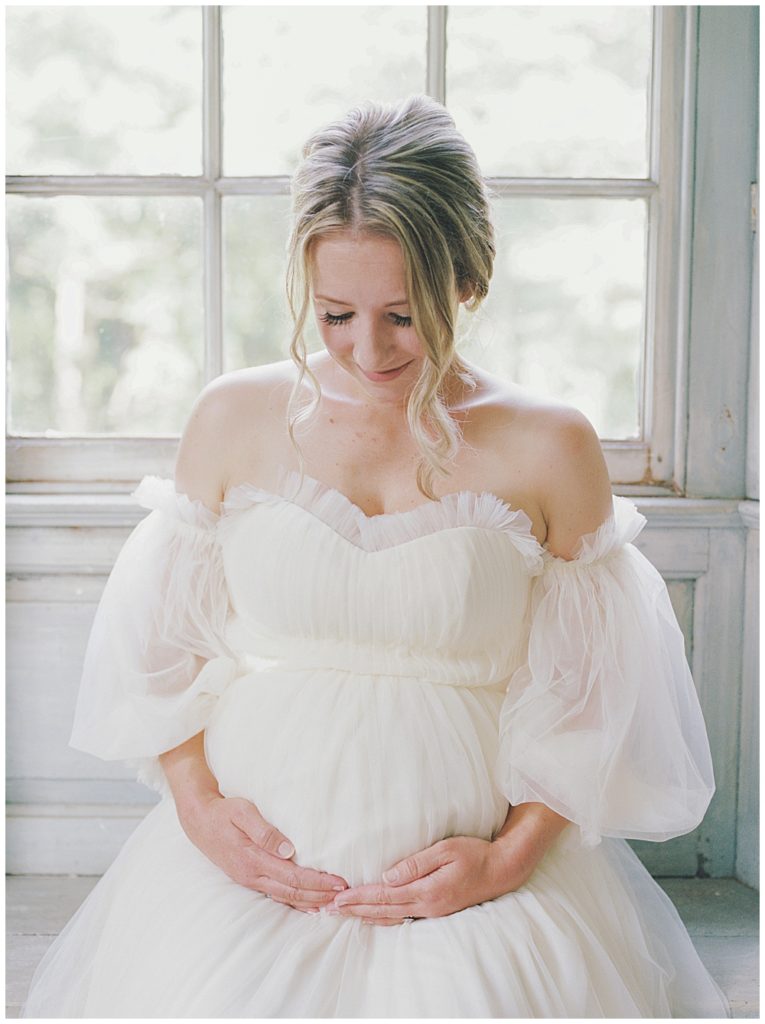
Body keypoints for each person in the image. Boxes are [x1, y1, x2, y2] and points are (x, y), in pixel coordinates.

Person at [22, 94, 730, 1018]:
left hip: (474, 861)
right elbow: (160, 650)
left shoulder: (548, 444)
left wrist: (505, 860)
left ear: (467, 278)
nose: (367, 349)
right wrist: (198, 810)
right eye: (333, 315)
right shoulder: (234, 417)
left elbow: (596, 693)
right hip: (255, 861)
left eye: (403, 314)